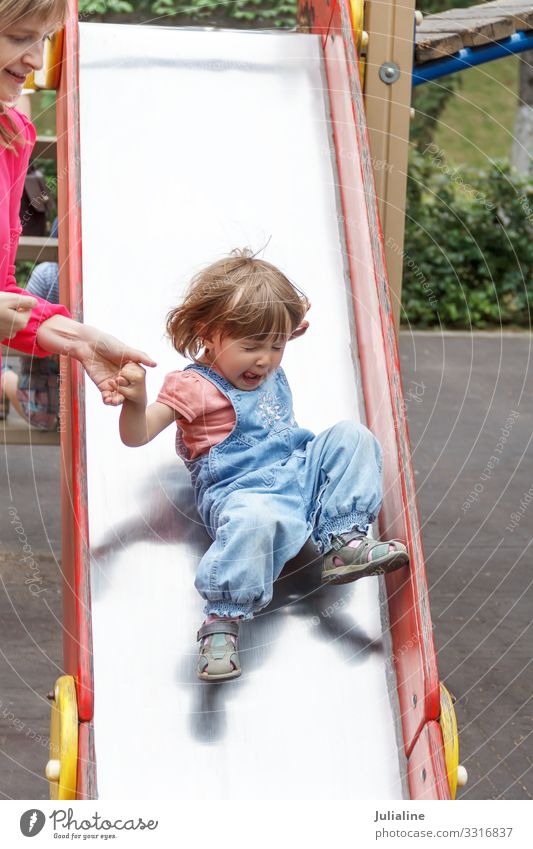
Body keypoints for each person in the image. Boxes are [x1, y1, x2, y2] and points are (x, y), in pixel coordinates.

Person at [115, 250, 410, 682]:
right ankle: (222, 622)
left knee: (353, 437)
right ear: (208, 334)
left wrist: (282, 317)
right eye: (251, 346)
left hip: (299, 467)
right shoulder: (194, 388)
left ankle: (343, 541)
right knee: (253, 521)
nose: (265, 360)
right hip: (244, 493)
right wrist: (135, 400)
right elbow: (136, 435)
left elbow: (287, 322)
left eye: (276, 346)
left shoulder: (268, 346)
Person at [0, 1, 155, 407]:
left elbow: (4, 298)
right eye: (18, 38)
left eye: (42, 39)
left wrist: (82, 340)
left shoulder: (14, 138)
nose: (35, 59)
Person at [1, 260, 60, 429]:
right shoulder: (48, 276)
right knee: (41, 417)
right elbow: (24, 324)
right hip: (46, 350)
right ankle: (4, 376)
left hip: (70, 347)